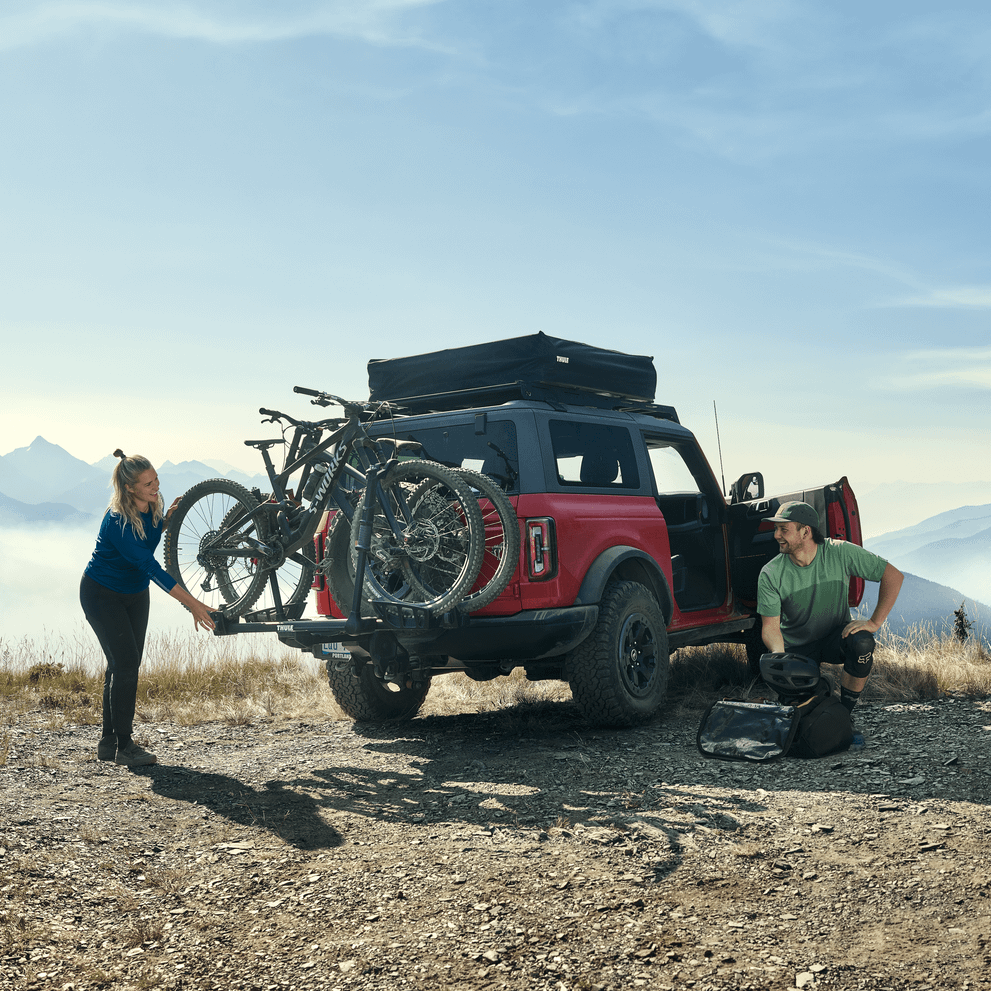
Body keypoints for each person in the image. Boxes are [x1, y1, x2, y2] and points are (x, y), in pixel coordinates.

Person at [80, 451, 216, 767]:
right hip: (102, 595)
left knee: (122, 664)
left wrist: (168, 518)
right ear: (129, 488)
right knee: (125, 663)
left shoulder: (151, 506)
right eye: (148, 483)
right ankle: (125, 746)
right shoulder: (117, 522)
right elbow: (150, 566)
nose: (156, 486)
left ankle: (109, 741)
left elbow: (151, 535)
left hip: (135, 594)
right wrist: (194, 604)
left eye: (156, 479)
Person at [757, 501, 903, 718]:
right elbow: (770, 627)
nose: (776, 535)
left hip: (835, 635)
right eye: (776, 529)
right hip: (798, 647)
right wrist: (780, 656)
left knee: (862, 643)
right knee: (806, 714)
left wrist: (874, 622)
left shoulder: (839, 552)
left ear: (805, 531)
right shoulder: (770, 573)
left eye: (783, 529)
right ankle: (820, 688)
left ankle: (845, 714)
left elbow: (893, 576)